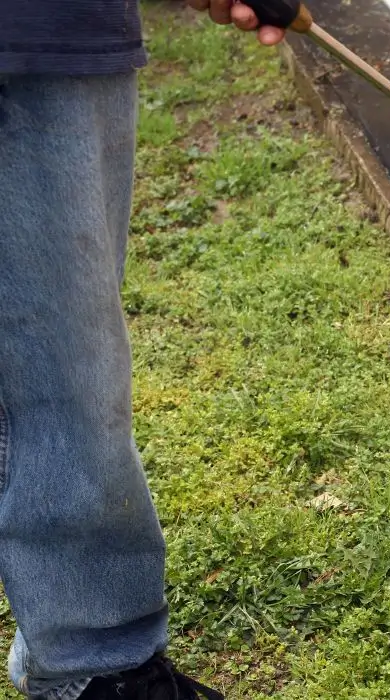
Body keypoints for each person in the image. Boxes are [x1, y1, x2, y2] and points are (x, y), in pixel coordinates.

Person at [0, 1, 286, 697]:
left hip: (64, 33)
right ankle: (93, 667)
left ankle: (85, 650)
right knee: (61, 370)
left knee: (68, 355)